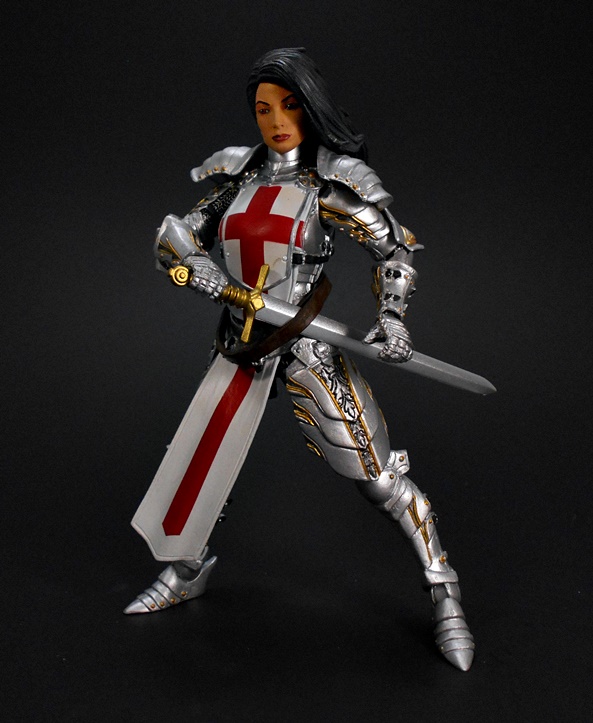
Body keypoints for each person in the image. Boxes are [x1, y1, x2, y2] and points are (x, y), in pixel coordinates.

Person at [125, 48, 475, 672]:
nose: (277, 120)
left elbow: (395, 249)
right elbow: (173, 238)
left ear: (310, 108)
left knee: (377, 477)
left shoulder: (330, 183)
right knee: (204, 464)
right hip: (240, 344)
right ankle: (186, 568)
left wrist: (393, 316)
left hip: (308, 346)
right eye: (264, 109)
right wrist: (198, 269)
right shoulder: (236, 179)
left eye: (289, 106)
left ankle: (443, 590)